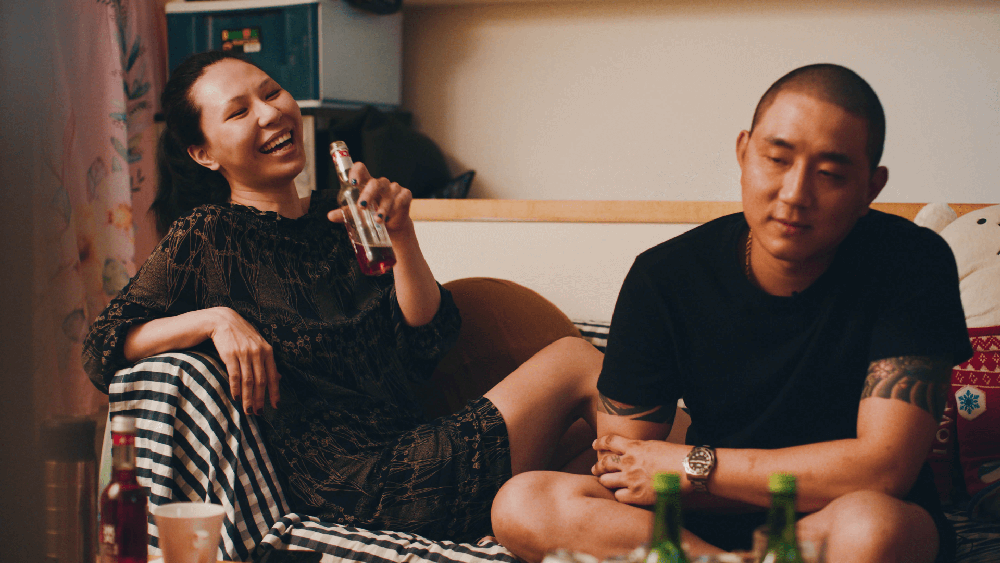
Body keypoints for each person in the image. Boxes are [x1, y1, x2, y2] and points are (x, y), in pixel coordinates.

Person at [82, 50, 602, 543]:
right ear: (204, 153)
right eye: (239, 112)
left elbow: (427, 340)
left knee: (595, 453)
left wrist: (401, 233)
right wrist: (214, 320)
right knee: (576, 360)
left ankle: (633, 529)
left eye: (272, 92)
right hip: (354, 491)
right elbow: (103, 344)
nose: (270, 113)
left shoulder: (341, 213)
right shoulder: (207, 236)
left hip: (414, 450)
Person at [491, 64, 972, 563]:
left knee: (874, 529)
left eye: (830, 174)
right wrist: (689, 481)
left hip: (842, 514)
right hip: (699, 520)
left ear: (871, 187)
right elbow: (623, 465)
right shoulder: (664, 276)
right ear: (743, 152)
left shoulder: (912, 263)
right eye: (777, 159)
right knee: (523, 503)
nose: (795, 194)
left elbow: (884, 469)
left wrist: (693, 467)